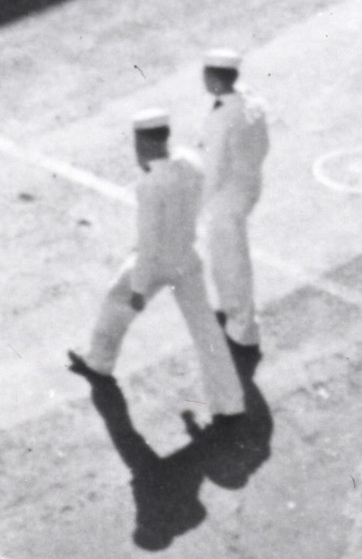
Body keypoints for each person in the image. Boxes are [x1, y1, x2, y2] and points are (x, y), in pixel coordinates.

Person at [69, 108, 247, 427]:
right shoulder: (190, 163)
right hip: (186, 258)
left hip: (156, 264)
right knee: (206, 331)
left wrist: (139, 289)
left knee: (116, 299)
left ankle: (99, 362)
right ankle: (229, 403)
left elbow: (148, 243)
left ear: (143, 143)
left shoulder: (150, 185)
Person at [198, 47, 268, 353]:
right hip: (249, 183)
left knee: (229, 261)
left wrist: (196, 207)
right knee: (230, 257)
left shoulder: (222, 118)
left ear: (214, 79)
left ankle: (242, 328)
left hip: (227, 197)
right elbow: (263, 144)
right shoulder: (251, 100)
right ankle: (237, 313)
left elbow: (213, 171)